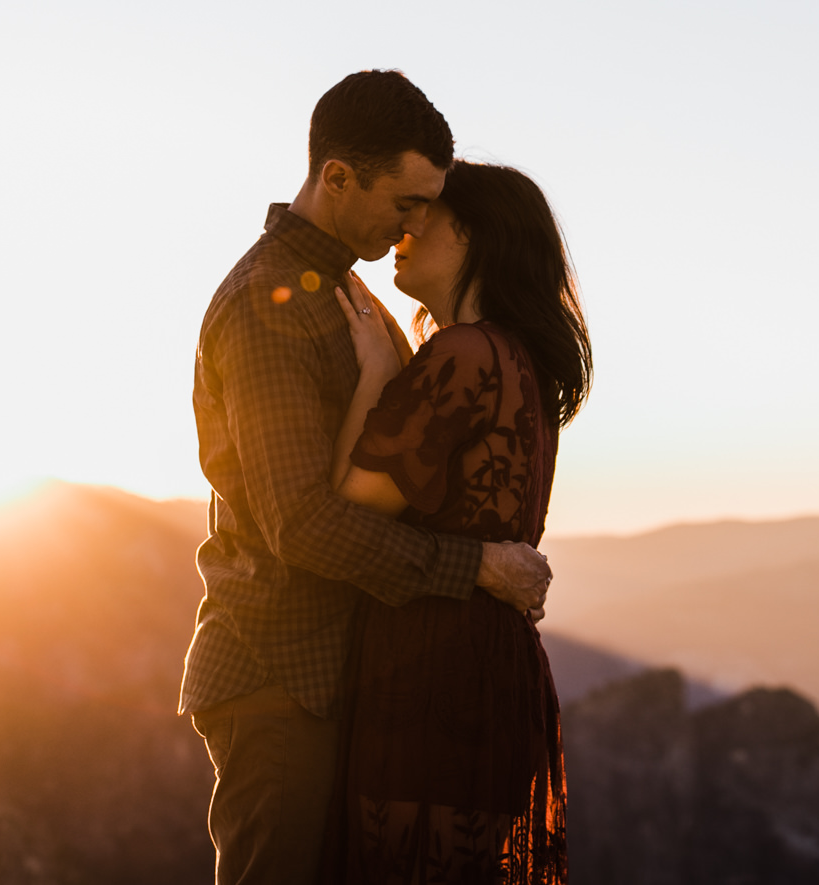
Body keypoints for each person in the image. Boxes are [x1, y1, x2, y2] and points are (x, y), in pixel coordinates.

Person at [182, 71, 556, 885]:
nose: (415, 223)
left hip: (336, 675)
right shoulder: (270, 305)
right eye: (407, 201)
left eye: (428, 205)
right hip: (279, 674)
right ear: (337, 177)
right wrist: (480, 566)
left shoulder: (344, 288)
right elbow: (304, 524)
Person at [321, 160, 590, 885]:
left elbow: (348, 504)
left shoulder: (463, 353)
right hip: (495, 668)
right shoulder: (521, 362)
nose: (405, 228)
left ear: (470, 234)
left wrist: (378, 375)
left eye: (424, 214)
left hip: (433, 668)